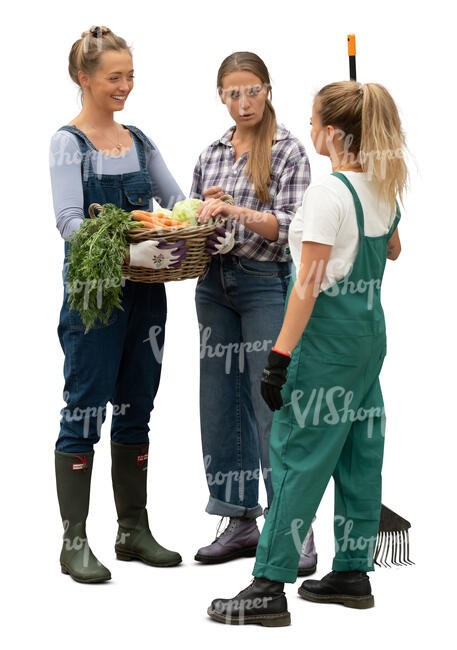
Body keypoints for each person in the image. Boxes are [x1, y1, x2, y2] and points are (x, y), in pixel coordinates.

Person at [207, 79, 407, 626]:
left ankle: (269, 583)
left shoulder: (329, 194)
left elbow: (308, 284)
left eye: (316, 120)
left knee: (297, 455)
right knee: (359, 455)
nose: (310, 128)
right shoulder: (382, 187)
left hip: (326, 345)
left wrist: (279, 356)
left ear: (335, 134)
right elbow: (390, 248)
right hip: (367, 342)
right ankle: (351, 571)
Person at [50, 25, 187, 583]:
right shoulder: (68, 142)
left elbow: (175, 203)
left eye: (130, 76)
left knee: (137, 403)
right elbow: (67, 222)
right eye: (114, 77)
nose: (125, 86)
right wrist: (120, 237)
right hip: (94, 296)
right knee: (85, 406)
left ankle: (133, 530)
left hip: (147, 293)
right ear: (84, 78)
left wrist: (201, 213)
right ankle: (74, 541)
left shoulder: (140, 141)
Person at [190, 52, 316, 574]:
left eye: (252, 91)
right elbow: (197, 225)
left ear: (267, 89)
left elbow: (291, 227)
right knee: (220, 402)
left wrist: (236, 210)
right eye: (232, 93)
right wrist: (207, 207)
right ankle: (240, 519)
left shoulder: (289, 150)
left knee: (273, 403)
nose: (243, 103)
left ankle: (294, 528)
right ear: (221, 96)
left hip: (265, 284)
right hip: (213, 285)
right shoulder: (212, 152)